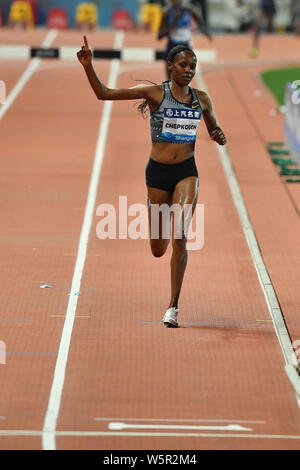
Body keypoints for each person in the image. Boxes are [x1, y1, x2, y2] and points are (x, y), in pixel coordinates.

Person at [77, 37, 226, 327]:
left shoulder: (202, 98)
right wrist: (88, 66)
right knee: (158, 249)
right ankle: (156, 211)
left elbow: (213, 127)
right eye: (183, 64)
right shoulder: (154, 93)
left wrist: (218, 134)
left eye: (193, 66)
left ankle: (173, 307)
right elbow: (104, 93)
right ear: (170, 66)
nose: (189, 70)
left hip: (187, 172)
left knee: (180, 233)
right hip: (157, 175)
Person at [158, 0, 212, 78]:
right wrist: (173, 22)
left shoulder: (189, 10)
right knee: (170, 77)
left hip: (185, 46)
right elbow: (159, 36)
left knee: (186, 75)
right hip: (172, 46)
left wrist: (205, 32)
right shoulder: (167, 12)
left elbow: (200, 22)